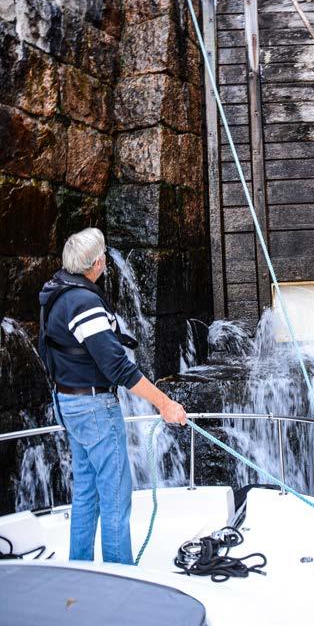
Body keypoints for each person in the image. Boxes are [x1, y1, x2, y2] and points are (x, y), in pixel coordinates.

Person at [38, 227, 187, 565]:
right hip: (93, 408)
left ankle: (80, 568)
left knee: (86, 492)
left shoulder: (57, 292)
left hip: (68, 402)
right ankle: (120, 577)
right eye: (103, 254)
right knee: (116, 497)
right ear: (97, 263)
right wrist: (165, 403)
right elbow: (118, 367)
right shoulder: (83, 302)